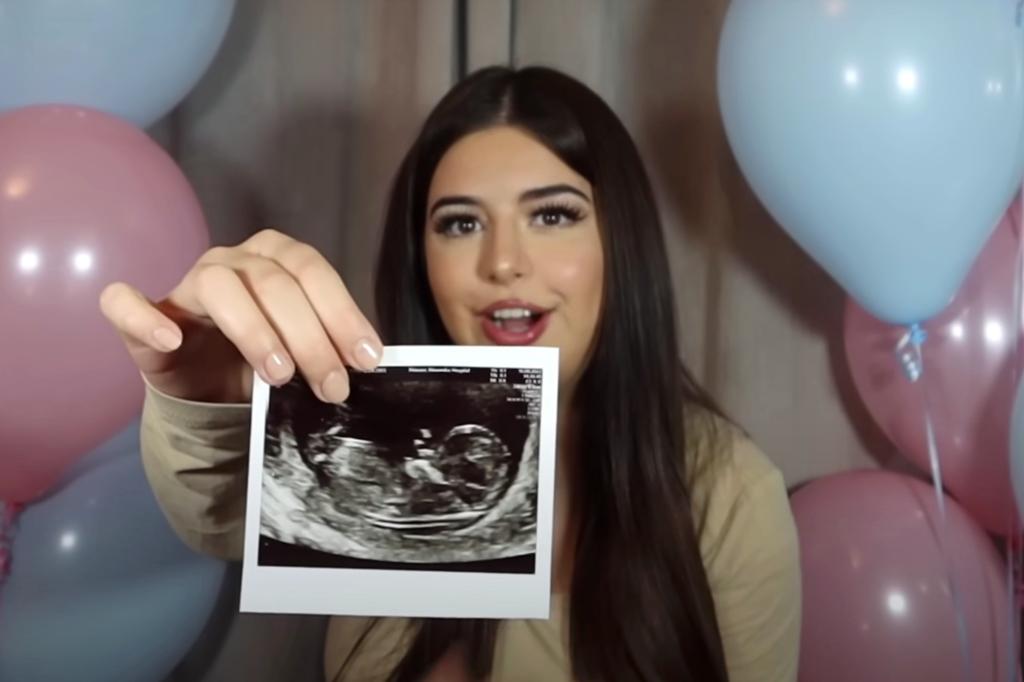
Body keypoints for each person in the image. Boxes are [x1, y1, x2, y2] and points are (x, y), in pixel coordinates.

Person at [99, 66, 801, 682]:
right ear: (420, 260)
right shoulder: (372, 439)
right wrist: (200, 395)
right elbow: (214, 513)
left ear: (623, 243)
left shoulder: (727, 491)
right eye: (461, 224)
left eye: (553, 215)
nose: (502, 263)